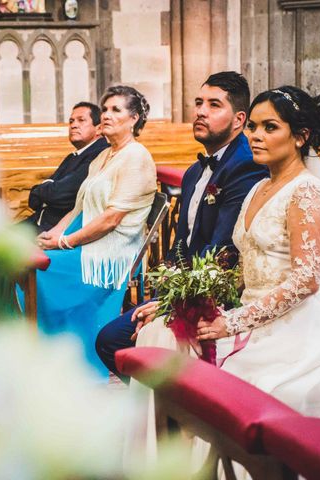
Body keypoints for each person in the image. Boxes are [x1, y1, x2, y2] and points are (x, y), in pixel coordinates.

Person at [136, 86, 320, 470]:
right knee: (164, 336)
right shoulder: (260, 187)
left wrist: (233, 322)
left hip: (298, 326)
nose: (255, 136)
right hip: (252, 312)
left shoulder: (305, 193)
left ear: (300, 136)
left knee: (243, 385)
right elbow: (244, 266)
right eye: (254, 127)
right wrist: (194, 302)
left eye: (270, 127)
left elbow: (306, 280)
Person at [96, 72, 269, 381]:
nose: (201, 111)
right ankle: (167, 415)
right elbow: (181, 244)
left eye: (214, 105)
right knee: (113, 340)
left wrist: (168, 305)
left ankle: (178, 416)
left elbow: (224, 253)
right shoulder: (193, 173)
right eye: (199, 103)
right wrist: (163, 294)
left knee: (116, 342)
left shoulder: (245, 167)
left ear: (239, 119)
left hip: (218, 294)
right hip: (185, 287)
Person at [18, 85, 157, 379]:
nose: (106, 115)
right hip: (86, 239)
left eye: (116, 110)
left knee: (36, 272)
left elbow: (111, 219)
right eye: (105, 109)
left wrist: (65, 243)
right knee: (24, 260)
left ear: (134, 119)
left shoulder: (136, 156)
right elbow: (77, 209)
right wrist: (51, 237)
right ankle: (44, 355)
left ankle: (65, 358)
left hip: (110, 252)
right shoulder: (103, 157)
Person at [26, 102, 109, 232]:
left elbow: (60, 194)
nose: (73, 125)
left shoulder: (99, 153)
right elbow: (33, 200)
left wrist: (44, 188)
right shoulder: (73, 156)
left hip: (60, 230)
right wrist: (48, 189)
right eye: (71, 121)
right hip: (40, 222)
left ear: (99, 129)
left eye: (81, 120)